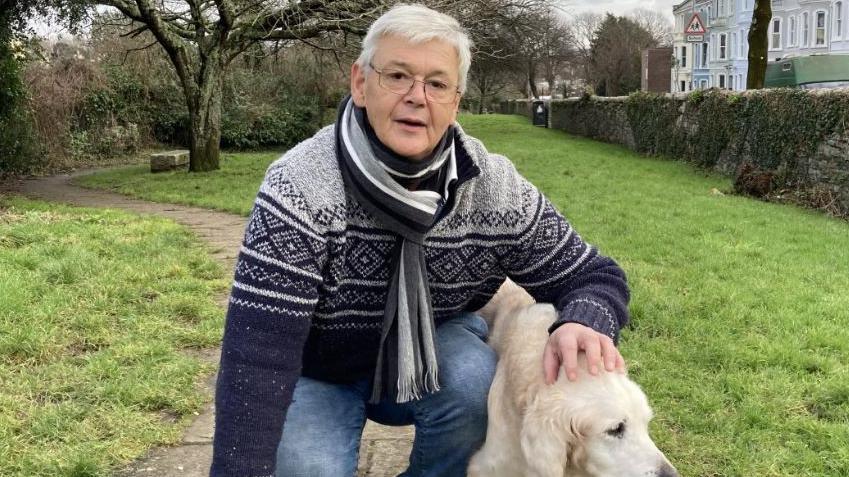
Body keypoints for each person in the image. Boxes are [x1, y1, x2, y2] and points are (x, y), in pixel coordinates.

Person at [210, 4, 630, 476]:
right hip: (319, 368)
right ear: (360, 83)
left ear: (456, 100)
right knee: (308, 468)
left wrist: (587, 320)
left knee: (474, 385)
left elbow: (594, 275)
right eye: (397, 76)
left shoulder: (491, 187)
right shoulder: (300, 188)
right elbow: (256, 358)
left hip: (430, 352)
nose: (417, 97)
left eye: (436, 83)